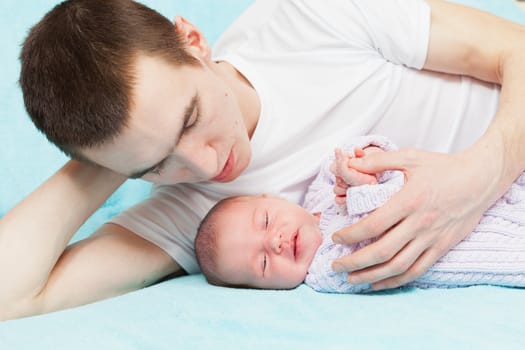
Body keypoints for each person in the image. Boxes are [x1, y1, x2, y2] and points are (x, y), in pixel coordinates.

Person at [1, 0, 525, 320]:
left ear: (193, 41)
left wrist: (477, 179)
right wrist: (109, 151)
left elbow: (516, 48)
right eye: (153, 167)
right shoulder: (192, 215)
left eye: (189, 118)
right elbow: (10, 299)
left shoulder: (307, 17)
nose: (204, 167)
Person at [194, 135, 525, 292]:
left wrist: (359, 163)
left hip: (491, 194)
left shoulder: (320, 188)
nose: (276, 242)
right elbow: (371, 237)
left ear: (270, 197)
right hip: (497, 249)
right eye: (263, 263)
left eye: (265, 221)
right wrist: (362, 192)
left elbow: (379, 151)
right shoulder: (326, 272)